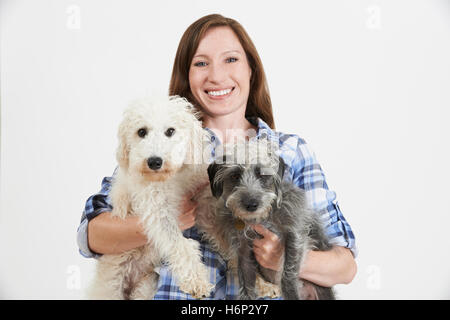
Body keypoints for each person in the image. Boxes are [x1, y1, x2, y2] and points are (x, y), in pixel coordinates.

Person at [77, 14, 357, 300]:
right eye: (201, 63)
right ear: (187, 75)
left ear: (252, 69)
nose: (217, 76)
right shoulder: (162, 142)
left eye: (231, 59)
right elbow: (90, 236)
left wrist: (283, 257)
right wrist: (163, 222)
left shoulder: (290, 150)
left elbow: (345, 266)